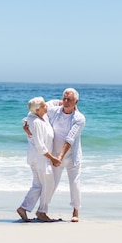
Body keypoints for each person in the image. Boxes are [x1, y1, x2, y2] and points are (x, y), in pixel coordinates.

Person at [24, 88, 86, 222]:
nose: (66, 102)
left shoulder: (79, 118)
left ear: (76, 102)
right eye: (64, 98)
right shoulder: (54, 110)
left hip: (71, 157)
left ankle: (75, 212)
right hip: (55, 157)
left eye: (69, 100)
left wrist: (60, 157)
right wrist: (27, 128)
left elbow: (70, 139)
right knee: (51, 185)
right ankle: (42, 211)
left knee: (75, 184)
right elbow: (35, 110)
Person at [16, 97, 60, 223]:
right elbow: (40, 147)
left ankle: (23, 208)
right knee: (49, 184)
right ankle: (42, 212)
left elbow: (53, 103)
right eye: (44, 106)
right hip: (41, 158)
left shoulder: (39, 116)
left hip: (35, 157)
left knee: (38, 185)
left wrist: (66, 103)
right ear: (37, 110)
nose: (47, 106)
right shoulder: (36, 122)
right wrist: (53, 159)